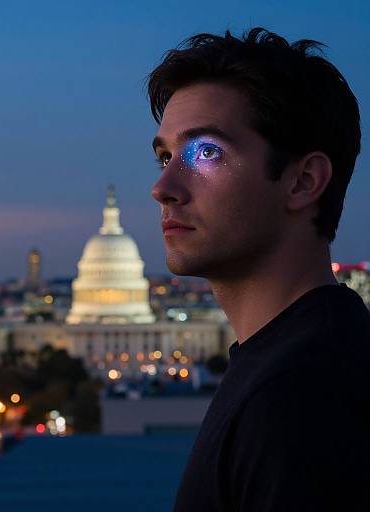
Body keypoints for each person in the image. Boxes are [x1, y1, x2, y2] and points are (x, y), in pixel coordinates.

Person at [148, 27, 370, 511]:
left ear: (303, 182)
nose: (162, 186)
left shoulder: (302, 402)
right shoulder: (298, 365)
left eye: (206, 152)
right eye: (165, 155)